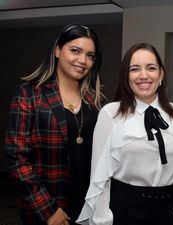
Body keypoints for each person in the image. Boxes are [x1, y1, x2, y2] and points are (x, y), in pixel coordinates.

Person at [76, 43, 173, 225]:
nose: (143, 75)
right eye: (135, 69)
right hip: (126, 209)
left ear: (161, 74)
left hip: (169, 210)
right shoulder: (110, 113)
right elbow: (99, 175)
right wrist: (102, 220)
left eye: (151, 68)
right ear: (126, 76)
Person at [5, 23, 103, 225]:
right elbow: (17, 159)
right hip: (47, 210)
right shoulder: (30, 94)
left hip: (89, 208)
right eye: (75, 51)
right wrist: (48, 210)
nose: (82, 60)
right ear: (58, 50)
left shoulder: (96, 102)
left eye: (90, 55)